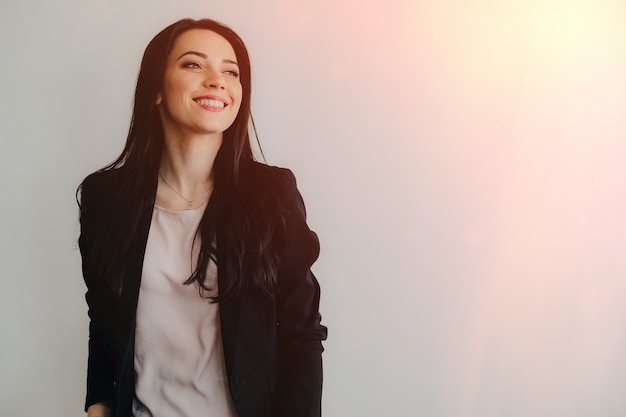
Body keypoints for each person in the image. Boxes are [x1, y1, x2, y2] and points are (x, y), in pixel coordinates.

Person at [77, 18, 327, 417]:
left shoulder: (271, 195)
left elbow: (302, 335)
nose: (217, 80)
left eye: (231, 71)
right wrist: (98, 404)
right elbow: (104, 318)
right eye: (194, 65)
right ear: (156, 89)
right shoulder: (105, 199)